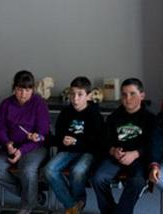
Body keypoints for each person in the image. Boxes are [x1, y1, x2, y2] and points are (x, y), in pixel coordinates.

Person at [0, 70, 50, 214]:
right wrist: (8, 144)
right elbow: (0, 128)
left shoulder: (39, 104)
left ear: (32, 90)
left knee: (27, 169)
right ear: (14, 88)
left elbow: (43, 132)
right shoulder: (6, 104)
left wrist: (22, 151)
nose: (23, 94)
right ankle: (33, 196)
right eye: (20, 89)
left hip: (34, 148)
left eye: (28, 90)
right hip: (10, 146)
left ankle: (26, 207)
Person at [90, 78, 156, 214]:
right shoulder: (113, 117)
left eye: (132, 94)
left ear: (142, 95)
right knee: (98, 178)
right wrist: (112, 150)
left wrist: (136, 153)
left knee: (137, 182)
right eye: (124, 94)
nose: (128, 98)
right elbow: (104, 140)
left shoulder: (150, 119)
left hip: (138, 158)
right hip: (115, 157)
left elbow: (153, 144)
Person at [43, 76, 104, 214]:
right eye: (72, 94)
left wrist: (76, 141)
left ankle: (78, 201)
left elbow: (97, 142)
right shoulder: (65, 113)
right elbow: (58, 136)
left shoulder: (95, 115)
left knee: (78, 171)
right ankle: (72, 205)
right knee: (49, 170)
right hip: (68, 150)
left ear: (88, 96)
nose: (75, 98)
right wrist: (62, 140)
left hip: (88, 152)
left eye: (80, 95)